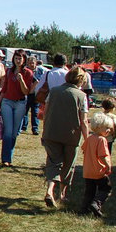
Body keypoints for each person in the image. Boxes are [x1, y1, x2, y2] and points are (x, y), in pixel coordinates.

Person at [41, 66, 89, 207]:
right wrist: (87, 140)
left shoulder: (54, 91)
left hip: (52, 133)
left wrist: (45, 130)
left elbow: (45, 112)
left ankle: (50, 191)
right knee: (68, 164)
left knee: (53, 162)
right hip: (71, 135)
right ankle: (62, 194)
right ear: (81, 80)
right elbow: (84, 121)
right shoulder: (81, 96)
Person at [0, 49, 34, 167]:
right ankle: (5, 159)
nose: (18, 60)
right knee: (8, 131)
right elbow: (4, 89)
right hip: (7, 102)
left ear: (24, 60)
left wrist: (21, 80)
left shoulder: (28, 73)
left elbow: (26, 92)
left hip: (20, 103)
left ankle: (9, 157)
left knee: (14, 132)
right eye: (16, 58)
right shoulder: (9, 71)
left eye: (20, 58)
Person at [80, 112, 113, 218]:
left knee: (89, 191)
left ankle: (84, 209)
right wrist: (108, 166)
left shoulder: (89, 138)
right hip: (99, 171)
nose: (109, 130)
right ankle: (96, 203)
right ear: (98, 127)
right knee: (106, 188)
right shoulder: (102, 140)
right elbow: (102, 156)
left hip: (88, 171)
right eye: (107, 128)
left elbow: (84, 149)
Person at [20, 56, 46, 135]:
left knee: (35, 111)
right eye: (29, 63)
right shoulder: (25, 71)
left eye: (32, 63)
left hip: (36, 94)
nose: (31, 65)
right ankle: (23, 127)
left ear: (36, 63)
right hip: (27, 93)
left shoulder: (41, 71)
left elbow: (40, 80)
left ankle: (35, 128)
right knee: (25, 110)